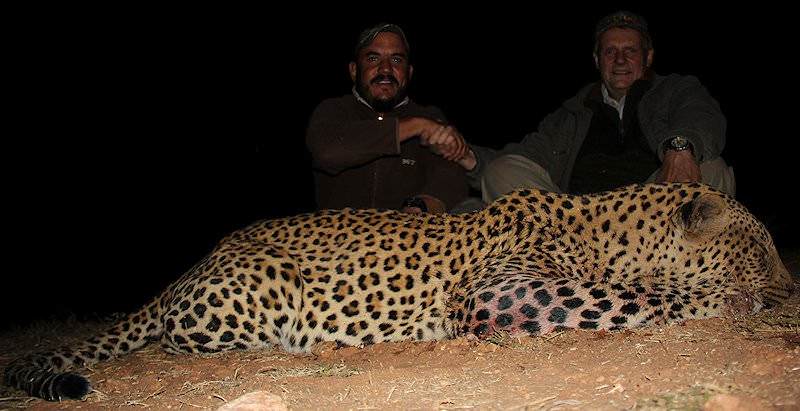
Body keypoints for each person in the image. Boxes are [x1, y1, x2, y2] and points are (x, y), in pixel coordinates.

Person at [455, 10, 736, 202]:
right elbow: (523, 158)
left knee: (712, 168)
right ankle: (569, 257)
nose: (620, 60)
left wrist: (680, 146)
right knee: (501, 172)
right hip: (579, 221)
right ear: (596, 60)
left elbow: (702, 115)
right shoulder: (571, 114)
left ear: (648, 57)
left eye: (630, 51)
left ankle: (673, 269)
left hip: (652, 210)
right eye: (610, 52)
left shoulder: (675, 88)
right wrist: (470, 158)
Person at [306, 23, 469, 214]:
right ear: (353, 70)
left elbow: (451, 177)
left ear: (408, 73)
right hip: (334, 238)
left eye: (397, 60)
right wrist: (416, 126)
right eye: (373, 58)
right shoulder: (334, 110)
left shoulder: (431, 116)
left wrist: (422, 207)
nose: (385, 69)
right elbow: (328, 151)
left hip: (405, 237)